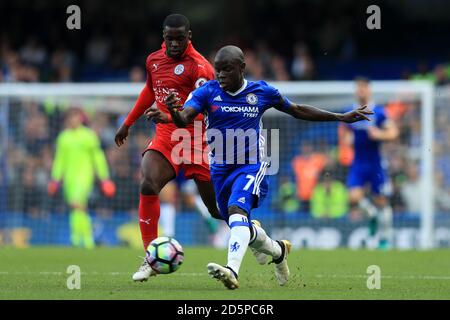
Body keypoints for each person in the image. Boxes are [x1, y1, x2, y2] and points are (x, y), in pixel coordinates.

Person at [160, 45, 372, 289]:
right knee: (241, 225)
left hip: (252, 166)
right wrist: (174, 111)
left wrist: (339, 117)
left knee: (237, 212)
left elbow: (296, 110)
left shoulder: (261, 91)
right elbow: (184, 118)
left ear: (242, 68)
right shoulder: (207, 91)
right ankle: (279, 251)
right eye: (218, 70)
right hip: (219, 169)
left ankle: (231, 271)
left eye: (226, 70)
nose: (220, 75)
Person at [114, 14, 222, 281]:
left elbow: (204, 108)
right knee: (148, 184)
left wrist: (171, 113)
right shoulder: (154, 60)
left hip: (196, 136)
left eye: (179, 39)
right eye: (169, 39)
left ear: (189, 36)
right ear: (164, 37)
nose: (174, 44)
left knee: (215, 209)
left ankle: (257, 238)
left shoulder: (200, 67)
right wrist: (128, 122)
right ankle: (150, 258)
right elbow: (150, 92)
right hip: (166, 135)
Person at [340, 77, 399, 249]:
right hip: (358, 163)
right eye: (358, 88)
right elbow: (344, 134)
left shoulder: (378, 112)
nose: (361, 91)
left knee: (381, 200)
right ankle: (372, 215)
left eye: (364, 88)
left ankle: (385, 239)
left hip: (375, 163)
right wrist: (347, 139)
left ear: (369, 90)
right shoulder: (349, 111)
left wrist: (379, 135)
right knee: (353, 196)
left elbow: (394, 132)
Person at [48, 108, 116, 249]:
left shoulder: (89, 136)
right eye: (71, 117)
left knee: (77, 204)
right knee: (76, 208)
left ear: (81, 119)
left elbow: (98, 158)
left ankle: (83, 239)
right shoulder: (63, 137)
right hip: (69, 179)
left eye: (76, 117)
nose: (73, 120)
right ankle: (80, 239)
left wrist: (105, 179)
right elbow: (60, 160)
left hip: (84, 176)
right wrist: (55, 179)